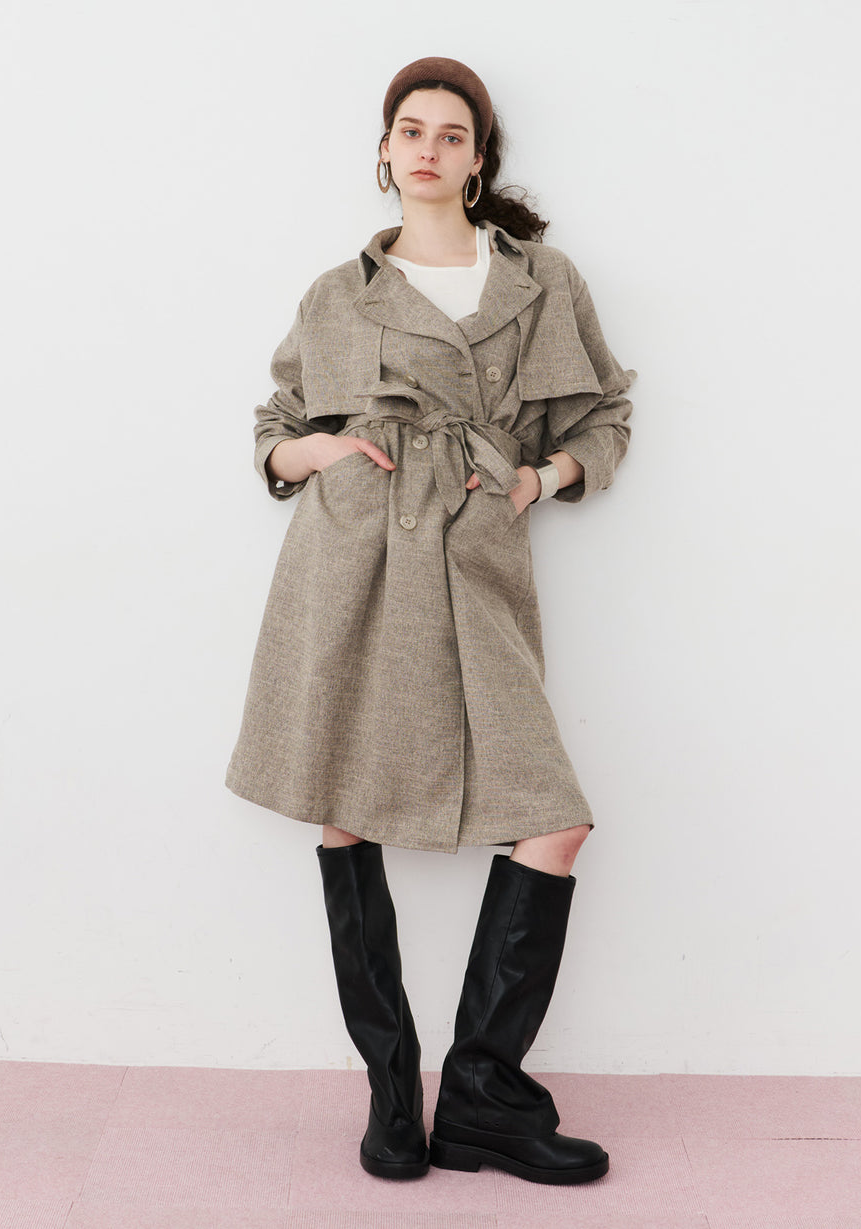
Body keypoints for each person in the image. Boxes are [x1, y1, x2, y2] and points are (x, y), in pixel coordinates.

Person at [226, 56, 635, 1185]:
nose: (428, 148)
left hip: (474, 550)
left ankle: (483, 1093)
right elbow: (274, 420)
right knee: (345, 813)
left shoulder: (538, 282)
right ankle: (390, 1091)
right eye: (411, 130)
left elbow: (604, 412)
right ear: (383, 150)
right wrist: (311, 451)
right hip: (352, 555)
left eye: (452, 134)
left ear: (478, 160)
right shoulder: (338, 292)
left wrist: (539, 477)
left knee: (553, 821)